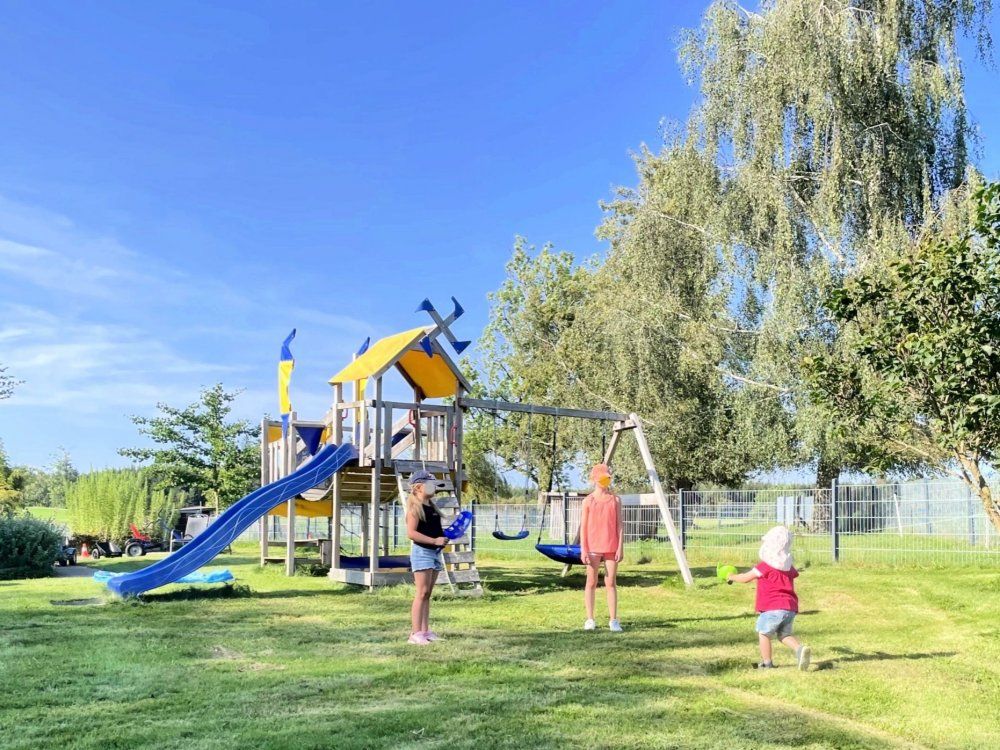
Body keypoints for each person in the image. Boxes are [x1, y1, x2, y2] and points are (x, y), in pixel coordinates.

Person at [728, 525, 811, 670]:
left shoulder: (765, 566)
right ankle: (799, 649)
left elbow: (745, 578)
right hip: (790, 608)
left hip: (772, 608)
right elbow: (793, 575)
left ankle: (767, 663)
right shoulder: (788, 567)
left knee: (764, 634)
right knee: (784, 634)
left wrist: (731, 576)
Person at [579, 463, 624, 632]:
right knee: (591, 582)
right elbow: (583, 527)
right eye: (602, 478)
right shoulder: (588, 501)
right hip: (592, 547)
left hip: (611, 546)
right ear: (595, 480)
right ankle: (590, 619)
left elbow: (620, 525)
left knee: (611, 582)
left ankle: (613, 620)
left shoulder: (616, 500)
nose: (605, 481)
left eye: (607, 478)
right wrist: (583, 549)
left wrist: (620, 547)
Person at [405, 469, 447, 646]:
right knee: (421, 593)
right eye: (431, 484)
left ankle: (425, 631)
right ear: (419, 487)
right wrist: (433, 540)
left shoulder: (432, 507)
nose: (434, 488)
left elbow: (434, 531)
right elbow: (411, 533)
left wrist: (443, 538)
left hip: (434, 553)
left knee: (427, 593)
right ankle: (415, 633)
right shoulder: (415, 509)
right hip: (422, 553)